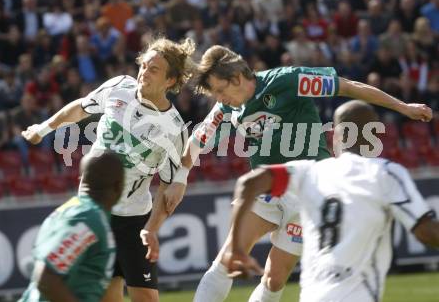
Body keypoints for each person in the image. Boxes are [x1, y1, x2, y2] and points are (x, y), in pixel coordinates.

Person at [162, 45, 433, 302]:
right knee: (226, 260)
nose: (219, 99)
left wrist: (403, 107)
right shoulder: (228, 108)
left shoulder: (290, 80)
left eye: (220, 91)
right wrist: (180, 177)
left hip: (309, 192)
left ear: (236, 78)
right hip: (268, 189)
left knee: (274, 279)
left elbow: (349, 87)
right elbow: (198, 138)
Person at [21, 37, 195, 302]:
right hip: (96, 211)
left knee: (147, 297)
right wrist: (42, 129)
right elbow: (79, 108)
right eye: (144, 65)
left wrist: (152, 227)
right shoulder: (119, 87)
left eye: (154, 69)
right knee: (106, 297)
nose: (144, 72)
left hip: (133, 220)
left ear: (170, 81)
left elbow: (169, 186)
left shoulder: (174, 129)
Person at [228, 100, 439, 302]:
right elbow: (426, 231)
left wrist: (237, 248)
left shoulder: (310, 172)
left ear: (336, 136)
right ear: (374, 134)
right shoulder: (386, 174)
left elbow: (249, 185)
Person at [19, 150, 124, 302]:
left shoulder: (72, 210)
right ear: (119, 186)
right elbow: (46, 278)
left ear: (82, 180)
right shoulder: (88, 218)